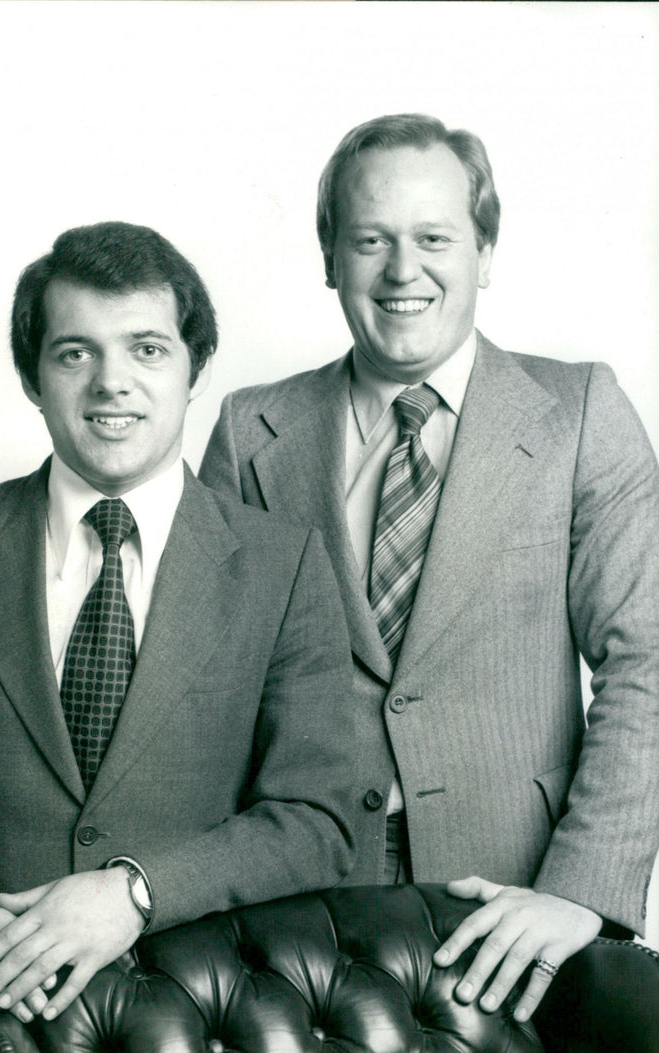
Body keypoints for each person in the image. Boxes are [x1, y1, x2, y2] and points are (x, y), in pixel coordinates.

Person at [200, 114, 659, 1022]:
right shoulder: (252, 431)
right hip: (296, 904)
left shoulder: (579, 414)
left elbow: (646, 659)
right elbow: (204, 692)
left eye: (435, 239)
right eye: (371, 240)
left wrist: (579, 890)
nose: (402, 270)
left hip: (515, 895)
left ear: (485, 252)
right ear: (330, 258)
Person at [0, 221, 358, 1051]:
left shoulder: (283, 564)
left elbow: (319, 817)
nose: (111, 382)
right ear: (33, 376)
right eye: (74, 353)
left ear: (196, 367)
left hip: (197, 1015)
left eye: (147, 349)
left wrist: (134, 892)